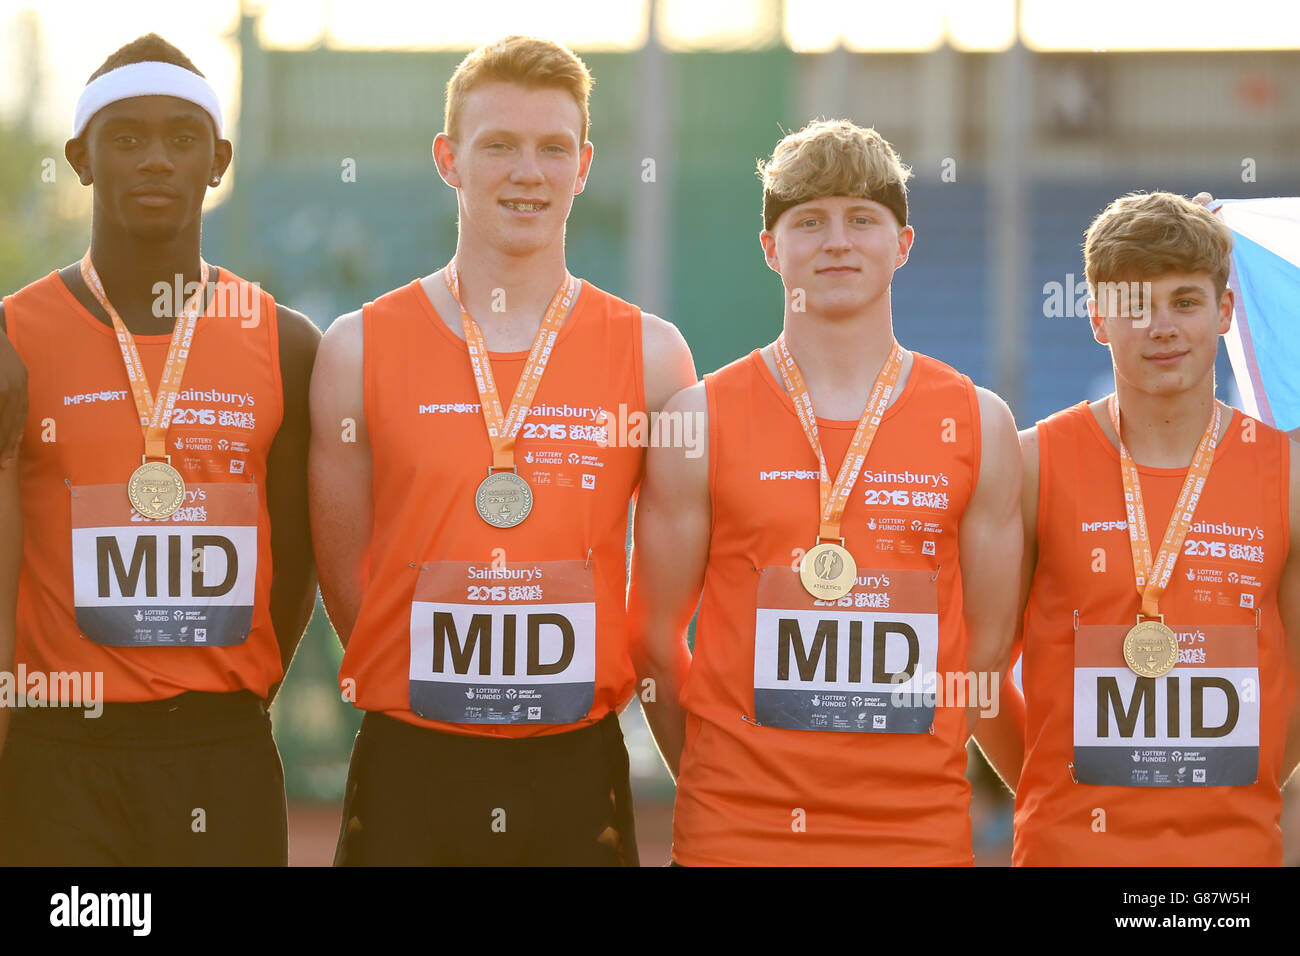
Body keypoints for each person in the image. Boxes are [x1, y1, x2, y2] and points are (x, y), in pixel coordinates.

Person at [309, 35, 696, 866]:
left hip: (574, 768)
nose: (529, 172)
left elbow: (665, 594)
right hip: (412, 763)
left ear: (584, 164)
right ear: (449, 158)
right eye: (499, 146)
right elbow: (348, 582)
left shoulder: (655, 357)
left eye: (553, 148)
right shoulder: (356, 350)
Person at [627, 119, 1022, 865]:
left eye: (862, 219)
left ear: (901, 244)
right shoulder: (698, 421)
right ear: (772, 248)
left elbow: (989, 650)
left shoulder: (979, 423)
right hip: (737, 834)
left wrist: (899, 769)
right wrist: (720, 782)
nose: (837, 241)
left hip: (915, 836)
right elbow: (651, 641)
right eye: (809, 221)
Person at [0, 34, 320, 865]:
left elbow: (295, 566)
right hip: (58, 760)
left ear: (217, 161)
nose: (155, 160)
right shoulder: (13, 338)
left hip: (221, 757)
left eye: (182, 140)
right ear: (80, 158)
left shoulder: (284, 345)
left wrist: (218, 700)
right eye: (127, 137)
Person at [975, 190, 1300, 865]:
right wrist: (1047, 785)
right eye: (1134, 305)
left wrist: (1248, 784)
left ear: (1225, 313)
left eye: (1185, 301)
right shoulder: (1032, 463)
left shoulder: (1287, 475)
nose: (1162, 327)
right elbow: (978, 672)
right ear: (1097, 318)